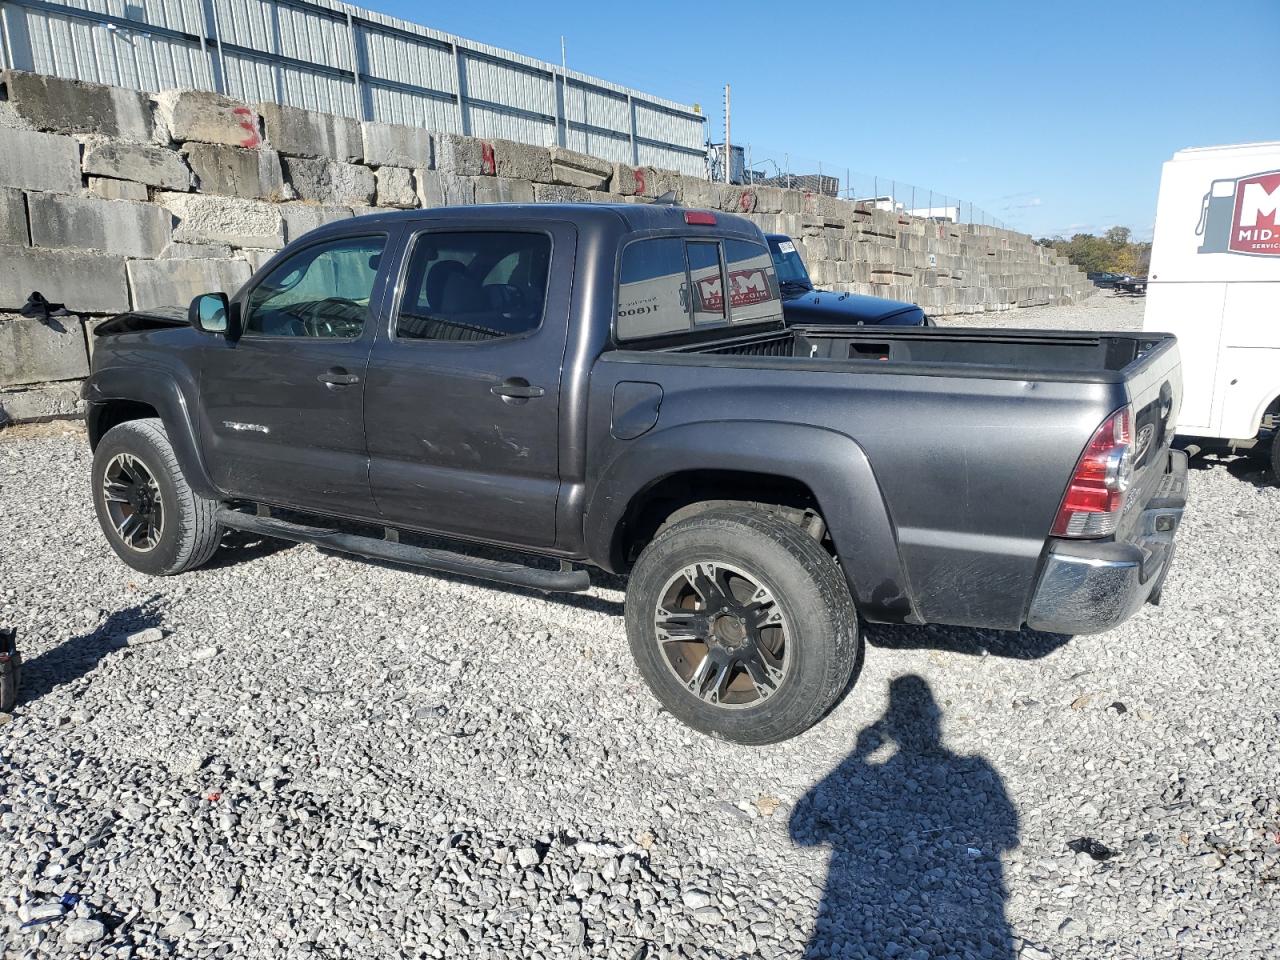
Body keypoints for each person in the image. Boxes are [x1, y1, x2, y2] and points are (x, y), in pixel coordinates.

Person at [789, 675, 1019, 959]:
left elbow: (801, 833)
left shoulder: (884, 771)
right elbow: (1008, 837)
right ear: (938, 716)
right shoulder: (978, 770)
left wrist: (855, 756)